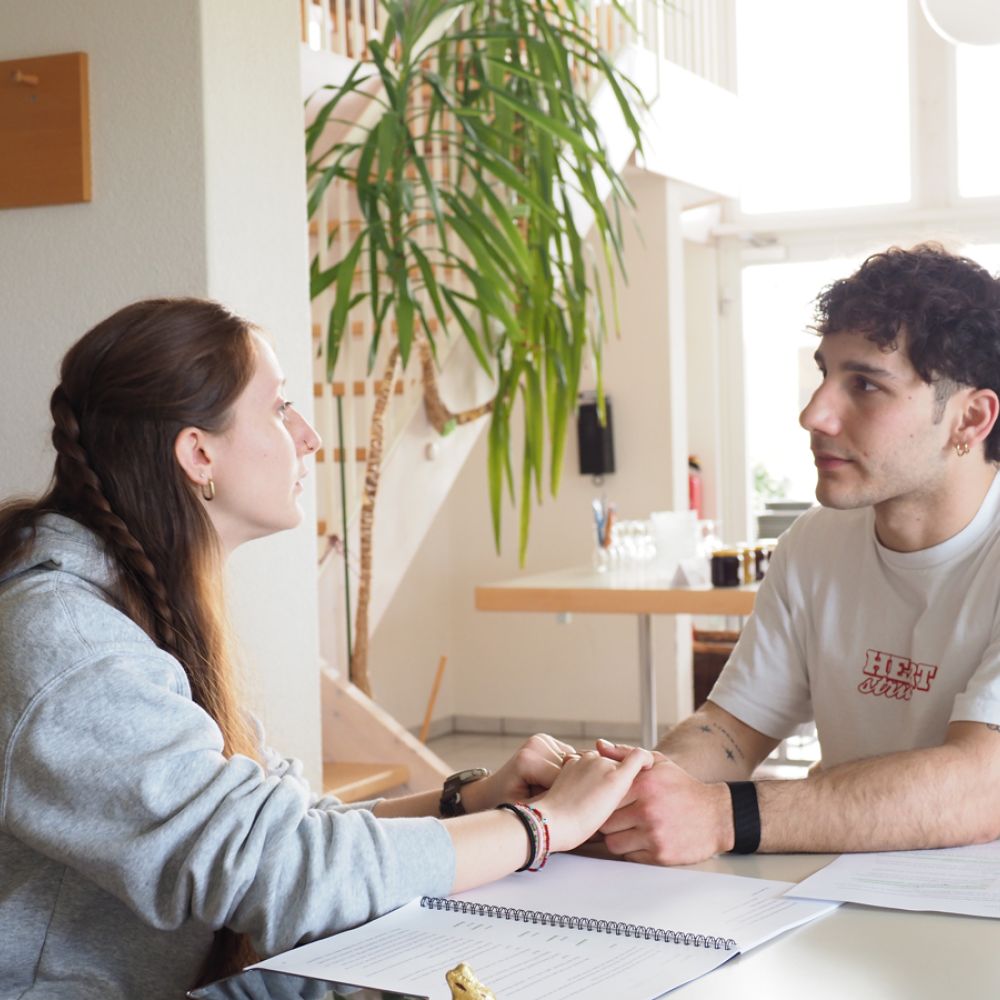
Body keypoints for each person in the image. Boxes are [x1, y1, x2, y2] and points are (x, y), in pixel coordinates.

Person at [0, 298, 652, 999]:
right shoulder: (69, 643)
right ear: (198, 453)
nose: (308, 436)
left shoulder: (136, 605)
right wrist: (545, 825)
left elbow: (291, 828)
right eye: (279, 408)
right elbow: (286, 875)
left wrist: (471, 800)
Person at [594, 244, 1000, 865]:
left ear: (970, 419)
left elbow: (981, 788)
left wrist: (721, 815)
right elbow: (730, 731)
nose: (814, 414)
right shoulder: (816, 543)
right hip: (846, 887)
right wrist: (627, 792)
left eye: (865, 384)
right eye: (824, 374)